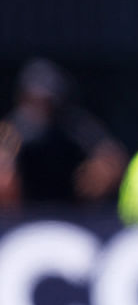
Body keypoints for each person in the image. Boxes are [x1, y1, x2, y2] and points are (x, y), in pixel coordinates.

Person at [0, 57, 127, 207]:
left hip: (72, 214)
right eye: (33, 100)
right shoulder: (11, 128)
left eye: (46, 101)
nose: (40, 108)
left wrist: (101, 172)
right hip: (21, 217)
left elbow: (114, 158)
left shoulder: (73, 125)